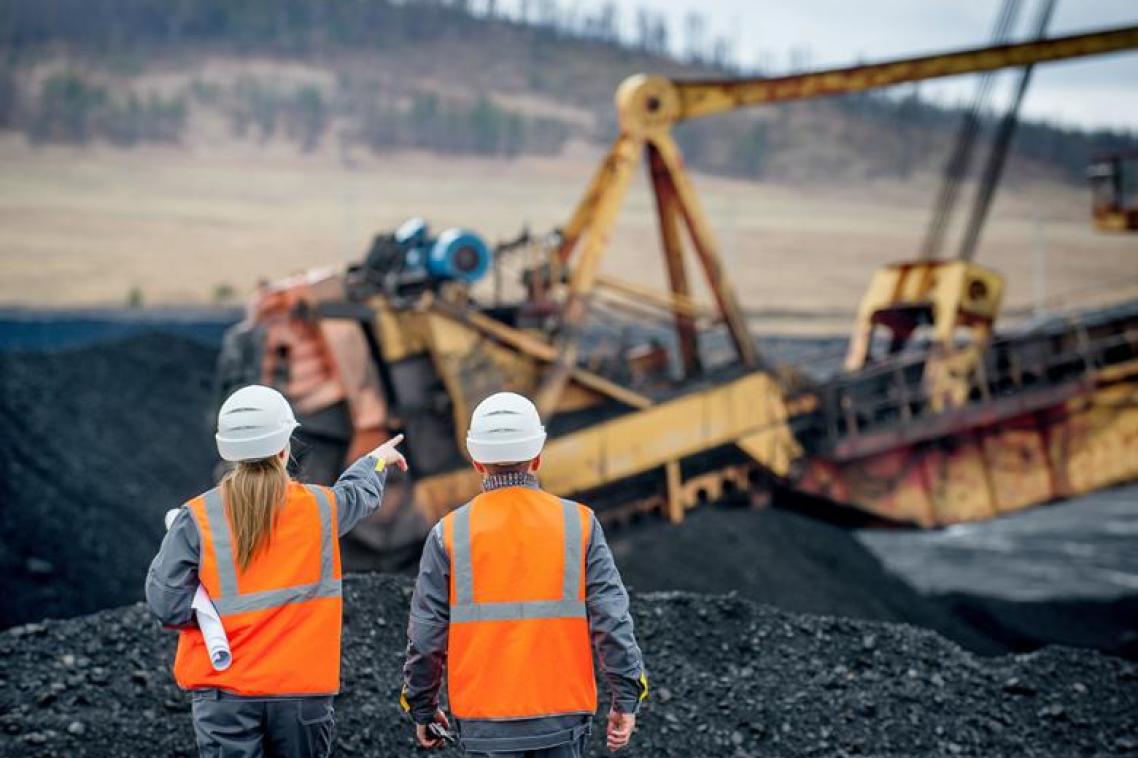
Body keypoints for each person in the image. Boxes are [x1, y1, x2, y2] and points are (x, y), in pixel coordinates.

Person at [145, 384, 408, 758]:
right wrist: (376, 460)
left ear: (228, 451)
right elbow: (357, 493)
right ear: (285, 449)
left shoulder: (198, 518)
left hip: (225, 694)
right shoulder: (320, 509)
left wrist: (212, 614)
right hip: (301, 693)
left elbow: (166, 605)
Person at [401, 392, 647, 756]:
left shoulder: (449, 533)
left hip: (484, 725)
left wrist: (423, 707)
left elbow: (426, 636)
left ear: (476, 462)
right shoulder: (577, 524)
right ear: (537, 458)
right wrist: (626, 697)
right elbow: (611, 618)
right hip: (561, 720)